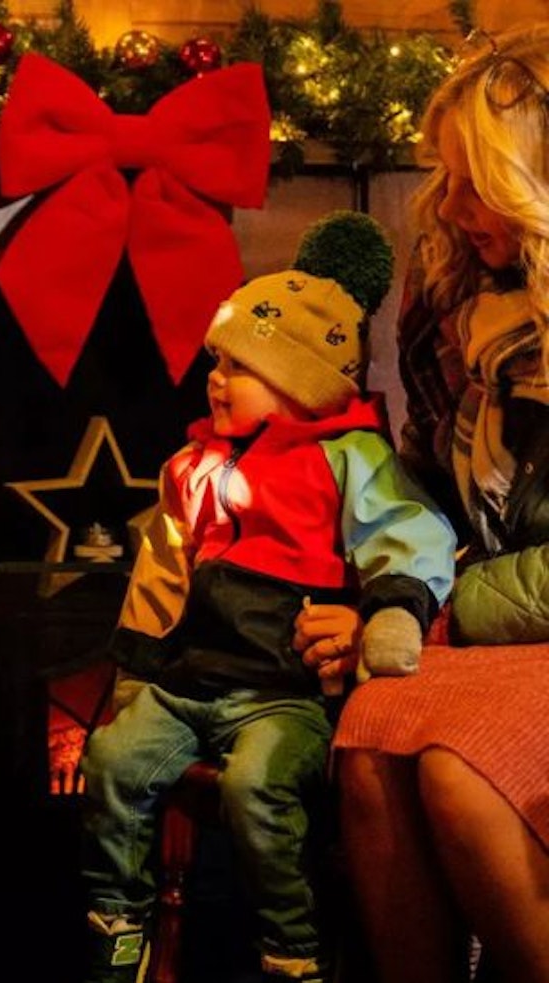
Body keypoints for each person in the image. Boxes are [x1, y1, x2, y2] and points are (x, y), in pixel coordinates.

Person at [78, 213, 458, 983]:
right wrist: (134, 675)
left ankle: (292, 946)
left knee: (259, 785)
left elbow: (407, 531)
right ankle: (119, 919)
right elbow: (161, 569)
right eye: (216, 360)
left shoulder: (350, 456)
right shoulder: (191, 465)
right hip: (187, 683)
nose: (215, 378)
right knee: (112, 758)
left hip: (280, 694)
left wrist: (391, 610)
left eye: (239, 366)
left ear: (298, 384)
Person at [324, 22, 549, 983]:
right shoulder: (461, 306)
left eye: (473, 181)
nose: (449, 206)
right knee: (370, 736)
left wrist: (453, 610)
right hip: (500, 619)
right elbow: (423, 489)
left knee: (464, 772)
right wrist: (393, 598)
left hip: (516, 616)